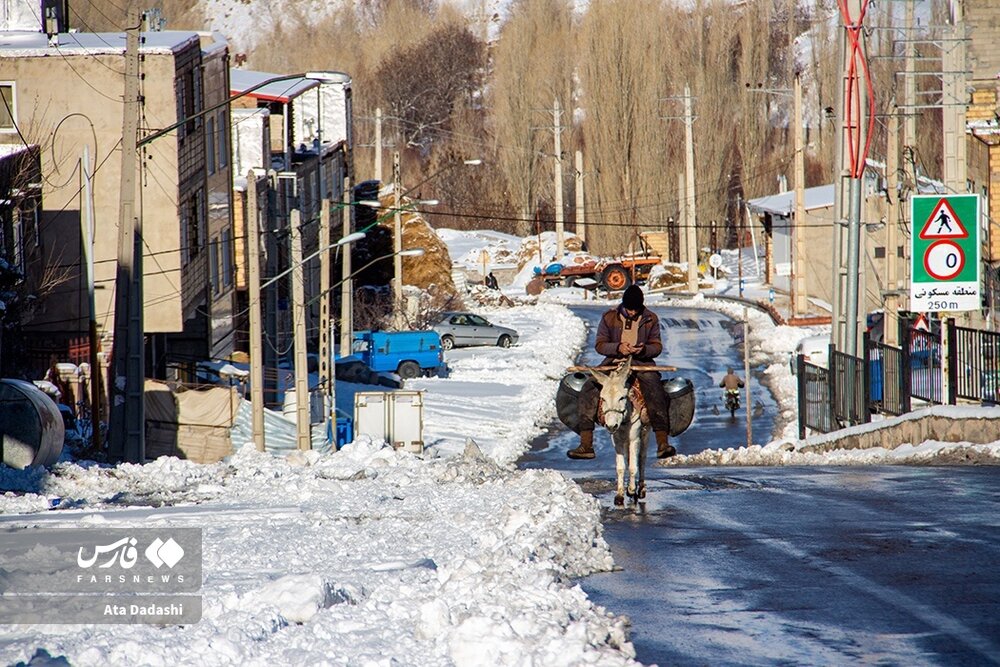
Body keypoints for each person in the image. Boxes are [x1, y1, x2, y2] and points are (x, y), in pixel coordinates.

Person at [568, 285, 676, 460]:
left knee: (655, 389)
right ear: (624, 305)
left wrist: (642, 350)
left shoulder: (650, 318)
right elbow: (600, 345)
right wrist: (618, 348)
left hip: (641, 364)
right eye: (629, 308)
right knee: (589, 389)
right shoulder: (609, 318)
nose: (632, 312)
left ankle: (662, 442)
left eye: (635, 309)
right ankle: (586, 443)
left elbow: (656, 347)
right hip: (613, 364)